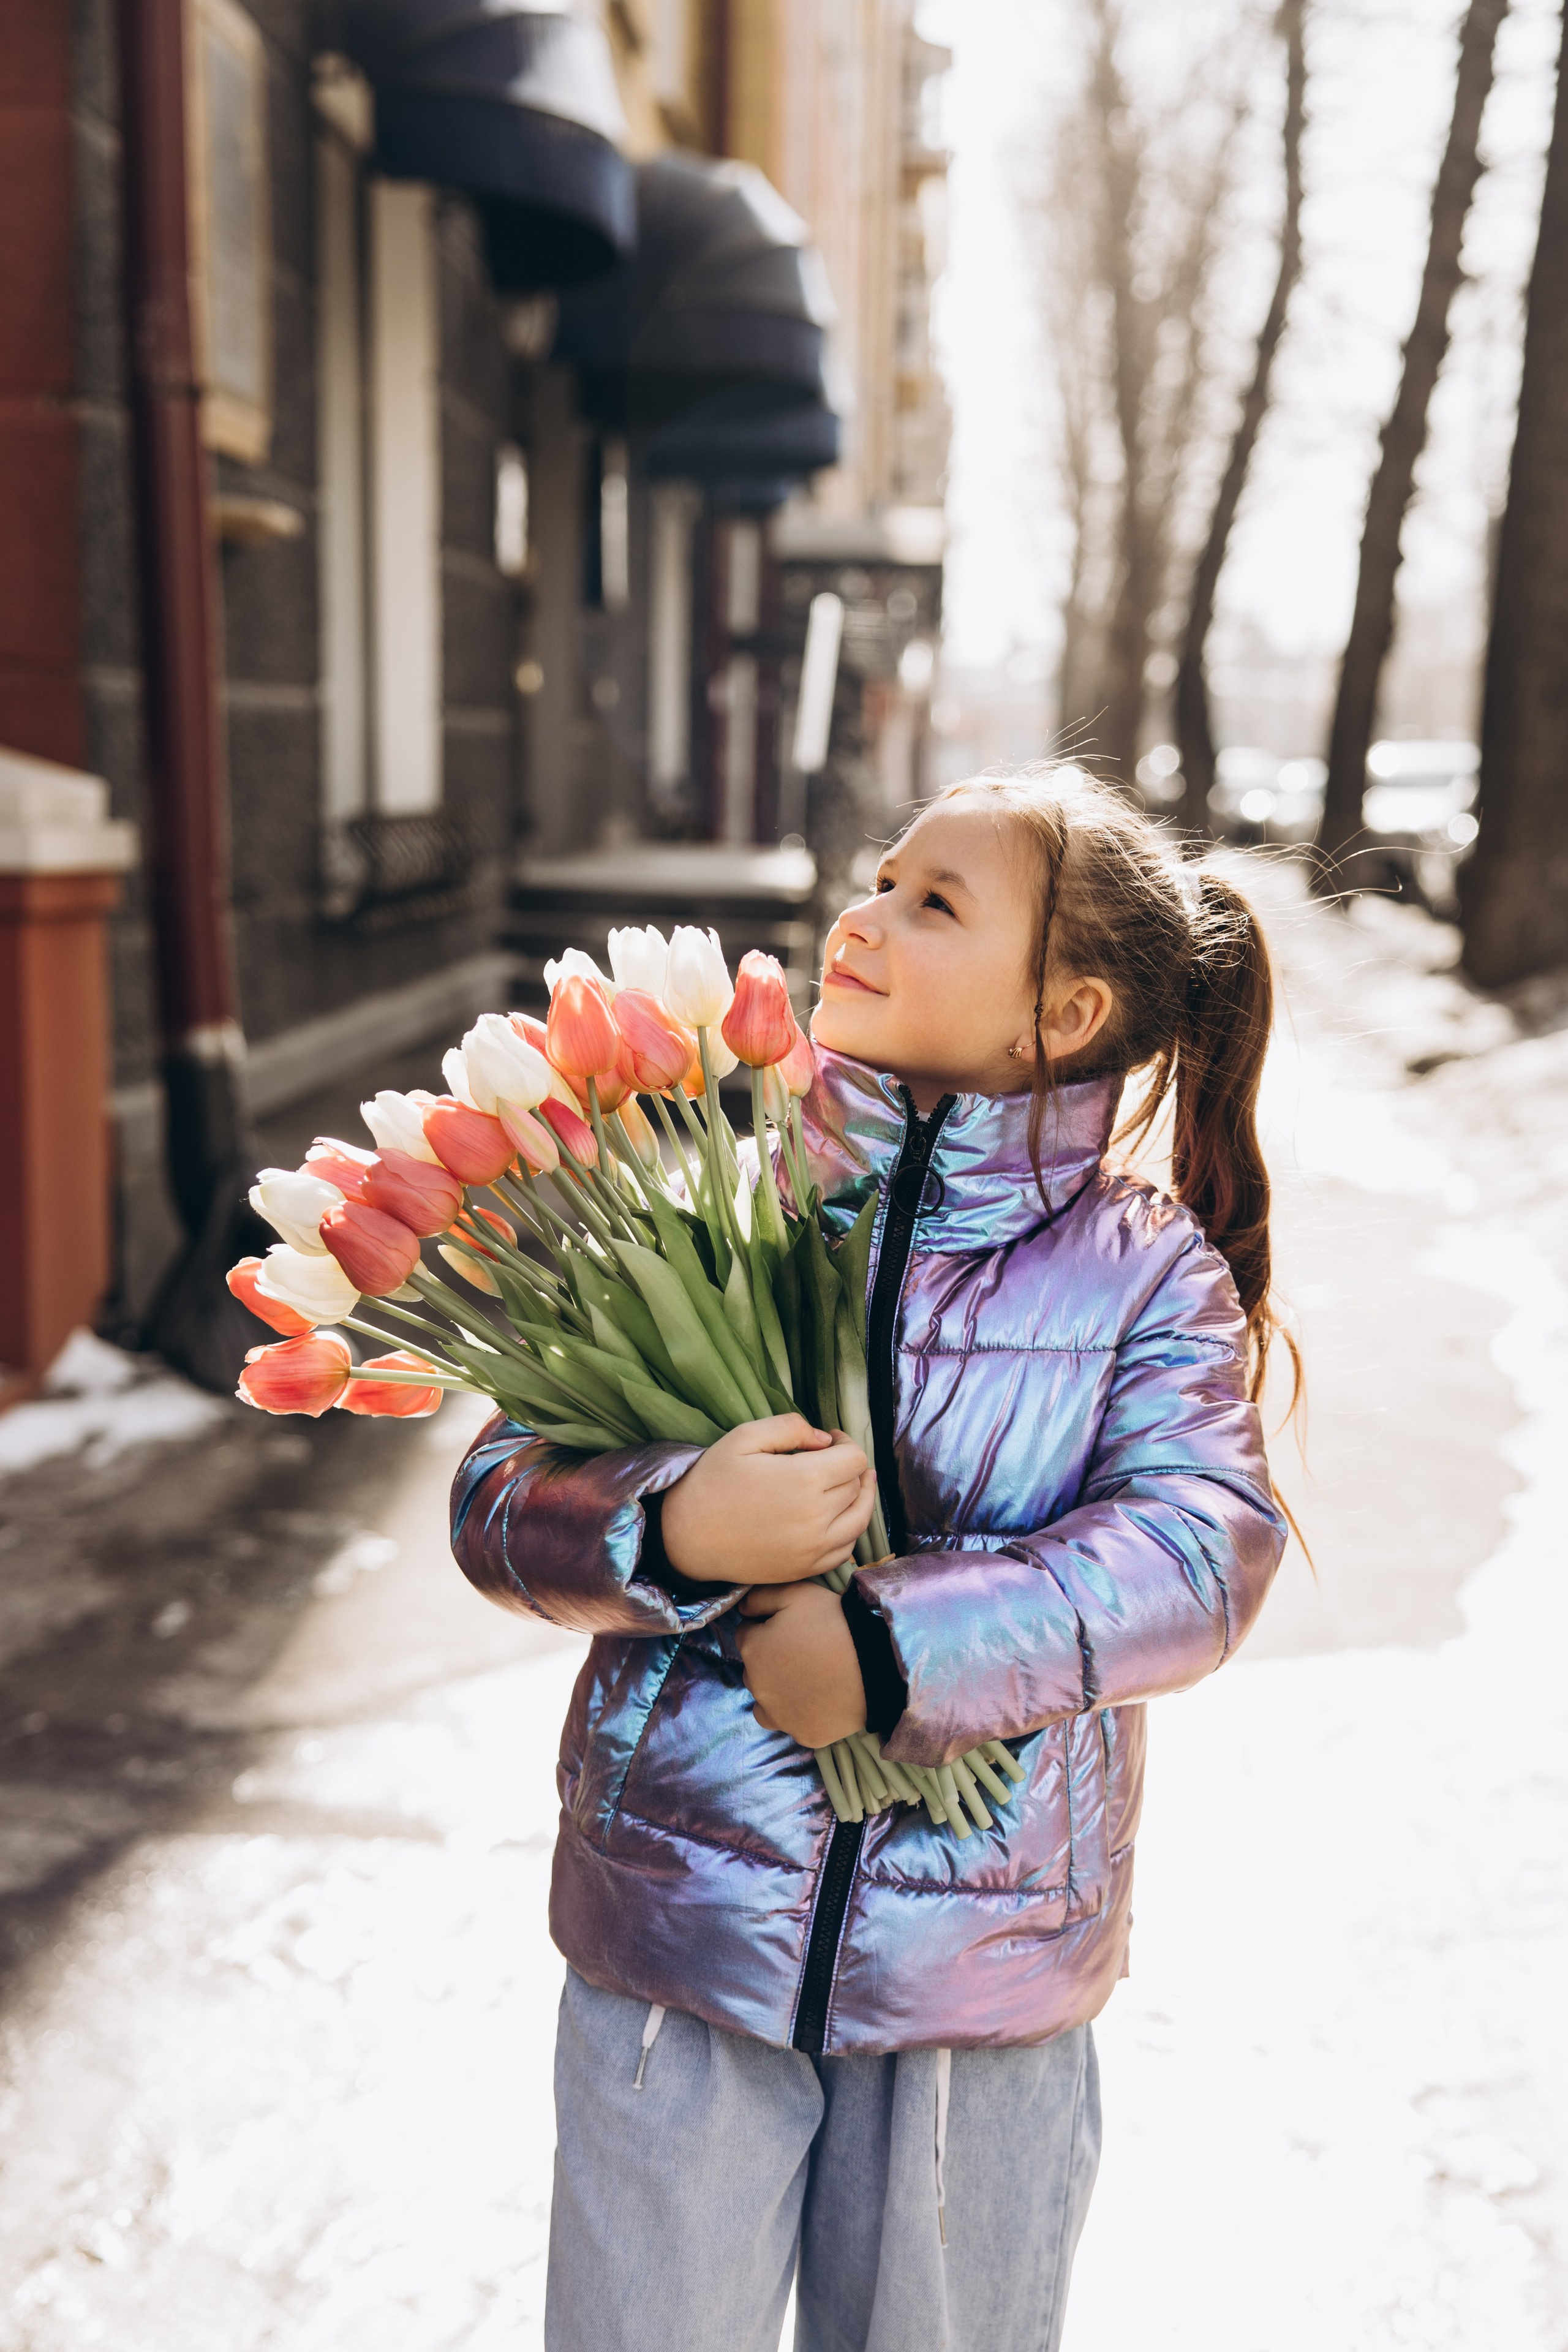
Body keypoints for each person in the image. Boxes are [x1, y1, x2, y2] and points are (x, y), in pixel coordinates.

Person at [450, 766, 1290, 2352]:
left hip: (983, 1980)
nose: (867, 914)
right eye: (881, 876)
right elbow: (497, 1496)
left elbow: (1203, 1552)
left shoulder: (1140, 1272)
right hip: (682, 1932)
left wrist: (897, 1656)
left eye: (936, 903)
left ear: (1061, 1013)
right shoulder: (706, 1196)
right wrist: (670, 1522)